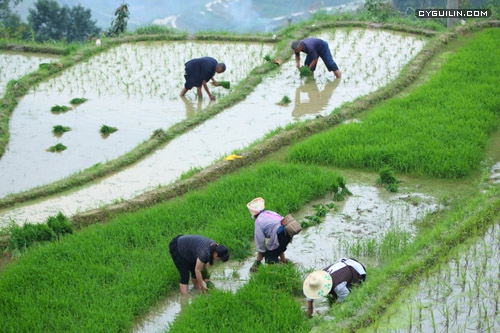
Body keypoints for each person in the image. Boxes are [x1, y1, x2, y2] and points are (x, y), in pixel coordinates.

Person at [247, 197, 292, 270]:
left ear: (254, 215)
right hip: (289, 230)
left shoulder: (258, 222)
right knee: (279, 247)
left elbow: (260, 242)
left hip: (280, 234)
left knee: (270, 256)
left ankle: (274, 274)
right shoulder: (270, 212)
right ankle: (284, 262)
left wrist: (259, 258)